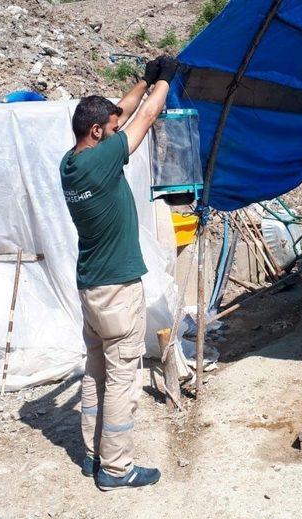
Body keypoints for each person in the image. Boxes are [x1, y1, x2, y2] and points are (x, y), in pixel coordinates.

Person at [59, 55, 178, 491]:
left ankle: (92, 457)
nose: (115, 131)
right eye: (108, 129)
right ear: (96, 133)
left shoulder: (70, 164)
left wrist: (143, 78)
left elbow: (123, 112)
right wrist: (165, 81)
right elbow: (144, 116)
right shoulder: (102, 160)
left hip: (91, 288)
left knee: (95, 373)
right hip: (117, 289)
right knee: (123, 379)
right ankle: (116, 468)